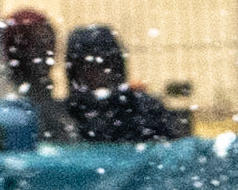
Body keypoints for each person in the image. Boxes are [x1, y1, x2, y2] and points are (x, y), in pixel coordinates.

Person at [63, 25, 179, 143]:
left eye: (105, 63)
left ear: (117, 66)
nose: (96, 74)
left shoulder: (145, 109)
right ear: (74, 72)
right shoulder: (65, 115)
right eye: (86, 66)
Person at [2, 9, 75, 141]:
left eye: (49, 45)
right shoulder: (11, 107)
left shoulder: (60, 108)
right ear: (16, 51)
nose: (46, 54)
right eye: (35, 46)